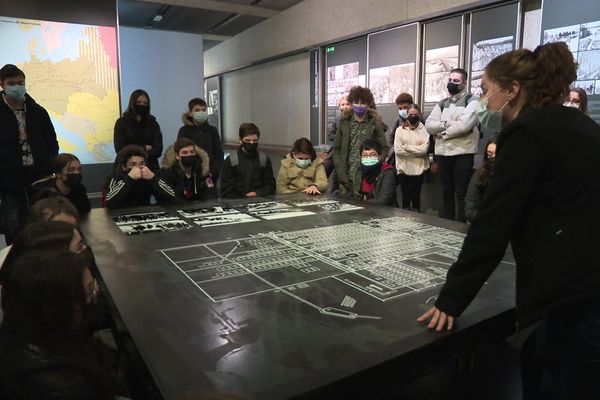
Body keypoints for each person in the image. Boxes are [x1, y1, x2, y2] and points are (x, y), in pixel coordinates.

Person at [417, 42, 600, 399]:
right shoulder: (575, 123)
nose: (483, 101)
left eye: (486, 91)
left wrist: (452, 298)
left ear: (512, 89)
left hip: (572, 295)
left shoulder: (528, 129)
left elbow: (494, 221)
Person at [0, 249, 118, 400]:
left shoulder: (19, 330)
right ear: (60, 305)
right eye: (90, 290)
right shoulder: (62, 386)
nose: (95, 295)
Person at [0, 64, 59, 245]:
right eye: (12, 83)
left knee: (43, 227)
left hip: (38, 178)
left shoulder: (37, 111)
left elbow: (51, 142)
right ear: (2, 84)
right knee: (16, 229)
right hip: (10, 181)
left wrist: (46, 165)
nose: (17, 87)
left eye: (21, 82)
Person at [425, 68, 480, 222]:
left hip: (463, 153)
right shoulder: (442, 103)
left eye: (455, 81)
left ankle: (461, 225)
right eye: (450, 80)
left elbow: (464, 125)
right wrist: (449, 123)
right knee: (446, 192)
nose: (451, 83)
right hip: (443, 154)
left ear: (464, 83)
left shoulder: (472, 100)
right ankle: (448, 224)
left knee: (461, 193)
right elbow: (429, 125)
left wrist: (442, 134)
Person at [332, 86, 388, 196]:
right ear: (351, 103)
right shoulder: (344, 121)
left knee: (367, 208)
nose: (359, 106)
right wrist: (340, 171)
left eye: (363, 103)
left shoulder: (375, 122)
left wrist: (376, 162)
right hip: (347, 175)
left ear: (368, 104)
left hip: (368, 175)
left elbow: (384, 147)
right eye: (356, 102)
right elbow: (336, 148)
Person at [104, 144, 176, 209]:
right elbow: (109, 202)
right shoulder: (114, 177)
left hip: (144, 213)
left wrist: (153, 179)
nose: (138, 168)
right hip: (120, 213)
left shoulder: (148, 175)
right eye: (133, 164)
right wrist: (129, 179)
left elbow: (171, 198)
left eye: (141, 164)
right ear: (124, 166)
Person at [220, 123, 275, 198]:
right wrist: (244, 198)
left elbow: (270, 185)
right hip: (236, 203)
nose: (251, 143)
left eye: (255, 140)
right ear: (240, 140)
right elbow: (226, 190)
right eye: (248, 140)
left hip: (260, 201)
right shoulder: (231, 160)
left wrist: (257, 193)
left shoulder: (264, 159)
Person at [114, 89, 163, 172]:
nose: (142, 105)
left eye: (145, 103)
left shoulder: (153, 123)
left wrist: (131, 148)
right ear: (132, 103)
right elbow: (120, 149)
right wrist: (144, 147)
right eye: (139, 102)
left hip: (150, 168)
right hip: (126, 169)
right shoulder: (122, 122)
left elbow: (158, 150)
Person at [177, 97, 224, 182]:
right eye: (197, 110)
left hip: (210, 175)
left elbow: (219, 154)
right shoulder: (184, 131)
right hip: (189, 175)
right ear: (191, 113)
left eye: (203, 110)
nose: (201, 112)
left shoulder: (212, 130)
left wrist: (213, 171)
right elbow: (179, 152)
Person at [394, 104, 430, 212]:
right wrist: (417, 151)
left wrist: (406, 147)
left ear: (419, 115)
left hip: (419, 169)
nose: (413, 116)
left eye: (415, 114)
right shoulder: (399, 130)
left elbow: (424, 150)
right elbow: (398, 151)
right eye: (411, 114)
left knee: (416, 198)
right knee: (405, 198)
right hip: (403, 169)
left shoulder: (424, 130)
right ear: (407, 115)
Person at [159, 137, 214, 201]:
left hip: (199, 208)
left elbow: (210, 192)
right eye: (185, 153)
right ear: (177, 156)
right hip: (174, 207)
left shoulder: (202, 170)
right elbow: (167, 196)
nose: (189, 155)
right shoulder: (167, 172)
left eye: (192, 152)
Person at [464, 137, 496, 222]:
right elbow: (470, 210)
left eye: (497, 154)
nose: (493, 158)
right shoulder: (480, 173)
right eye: (489, 155)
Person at [355, 139, 396, 206]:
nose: (368, 158)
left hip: (384, 211)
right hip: (363, 209)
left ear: (379, 157)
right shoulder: (359, 171)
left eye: (372, 155)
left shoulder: (387, 172)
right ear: (361, 157)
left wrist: (363, 204)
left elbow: (384, 199)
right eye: (365, 155)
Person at [325, 96, 352, 178]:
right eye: (342, 104)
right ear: (339, 106)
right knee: (328, 164)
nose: (345, 106)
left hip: (351, 149)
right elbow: (330, 135)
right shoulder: (337, 120)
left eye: (347, 104)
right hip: (337, 148)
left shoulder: (355, 119)